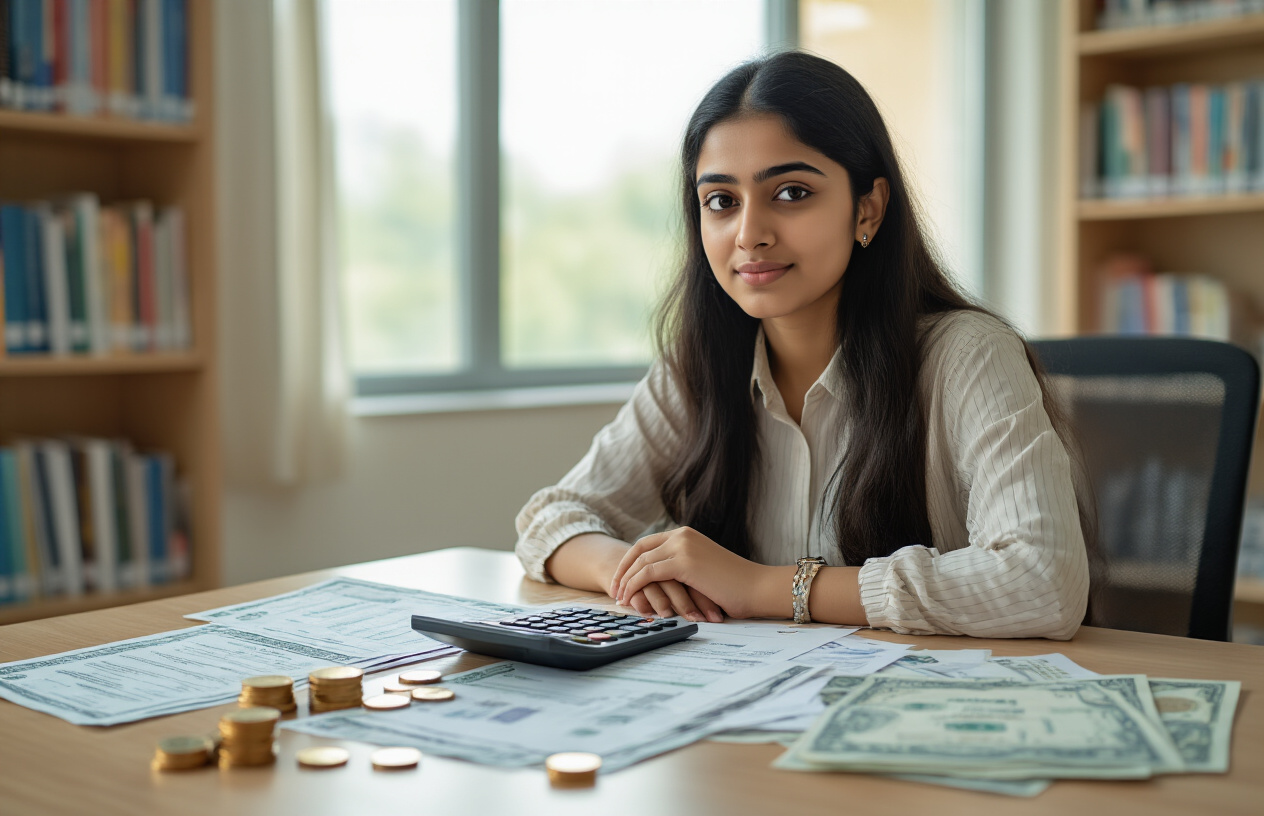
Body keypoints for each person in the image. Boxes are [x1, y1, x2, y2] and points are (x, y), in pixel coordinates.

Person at [514, 51, 1093, 639]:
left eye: (790, 193)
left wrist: (761, 587)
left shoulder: (967, 356)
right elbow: (549, 519)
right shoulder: (699, 365)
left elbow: (1043, 580)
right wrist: (639, 571)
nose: (750, 234)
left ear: (867, 207)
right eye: (721, 201)